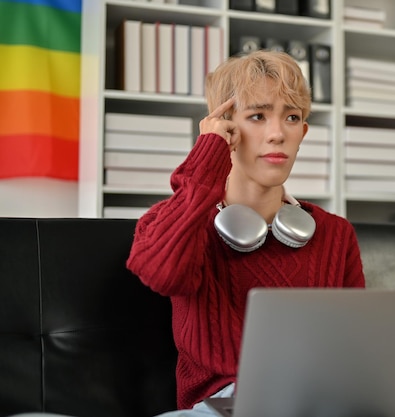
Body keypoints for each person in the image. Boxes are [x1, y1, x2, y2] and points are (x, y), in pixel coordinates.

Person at [125, 50, 366, 416]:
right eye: (257, 115)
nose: (277, 133)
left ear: (302, 133)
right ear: (224, 128)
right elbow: (160, 271)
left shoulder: (335, 233)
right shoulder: (180, 223)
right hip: (221, 408)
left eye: (291, 118)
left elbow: (355, 348)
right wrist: (207, 159)